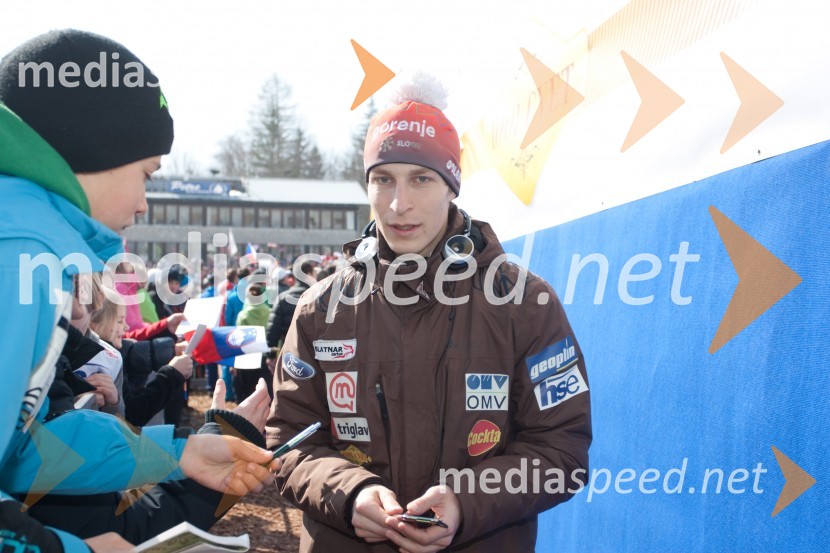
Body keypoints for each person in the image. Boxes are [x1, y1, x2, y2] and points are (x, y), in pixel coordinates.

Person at [266, 76, 591, 552]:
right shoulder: (321, 309)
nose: (399, 204)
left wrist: (467, 501)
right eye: (383, 179)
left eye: (421, 178)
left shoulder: (525, 303)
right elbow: (291, 442)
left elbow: (561, 449)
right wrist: (349, 493)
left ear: (451, 186)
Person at [0, 29, 278, 553]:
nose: (146, 203)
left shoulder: (32, 249)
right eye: (147, 174)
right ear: (95, 148)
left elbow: (24, 449)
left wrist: (176, 455)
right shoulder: (19, 253)